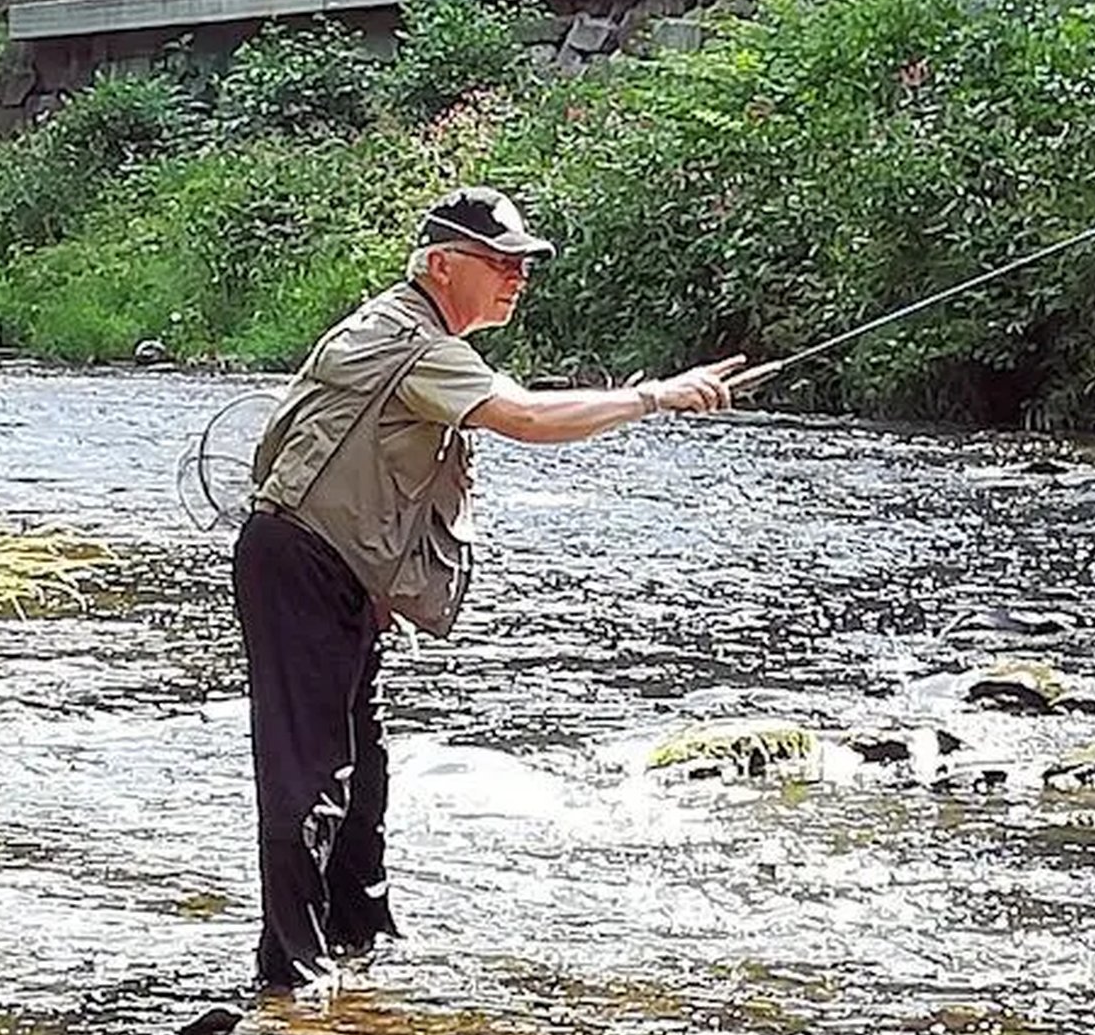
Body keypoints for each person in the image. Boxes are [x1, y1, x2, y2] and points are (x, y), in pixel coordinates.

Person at [235, 186, 741, 991]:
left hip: (325, 569)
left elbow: (313, 453)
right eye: (501, 262)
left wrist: (373, 581)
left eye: (524, 264)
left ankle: (358, 943)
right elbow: (529, 419)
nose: (517, 277)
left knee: (362, 774)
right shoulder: (418, 345)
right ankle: (292, 971)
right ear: (442, 265)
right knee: (309, 775)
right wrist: (655, 396)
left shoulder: (402, 328)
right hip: (303, 567)